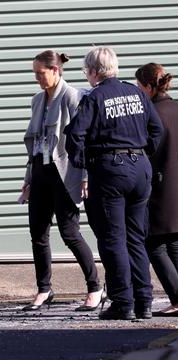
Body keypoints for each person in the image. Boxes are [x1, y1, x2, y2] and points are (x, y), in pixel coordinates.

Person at [64, 47, 164, 320]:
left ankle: (123, 302)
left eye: (86, 70)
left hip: (110, 171)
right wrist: (144, 153)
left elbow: (74, 135)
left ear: (95, 71)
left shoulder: (95, 97)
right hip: (140, 169)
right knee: (136, 238)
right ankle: (144, 302)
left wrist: (85, 162)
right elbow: (157, 129)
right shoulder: (137, 94)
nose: (87, 75)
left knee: (113, 239)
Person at [21, 50, 103, 312]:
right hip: (41, 170)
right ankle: (44, 289)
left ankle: (95, 287)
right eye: (35, 74)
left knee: (70, 233)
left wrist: (86, 176)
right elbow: (34, 142)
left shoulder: (73, 97)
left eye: (41, 73)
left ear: (55, 71)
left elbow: (85, 139)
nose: (37, 78)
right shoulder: (37, 100)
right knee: (38, 233)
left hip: (65, 171)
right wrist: (29, 178)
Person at [135, 63, 178, 317]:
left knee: (153, 243)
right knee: (173, 243)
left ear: (150, 87)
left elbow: (147, 150)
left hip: (161, 185)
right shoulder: (175, 108)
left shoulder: (151, 114)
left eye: (140, 87)